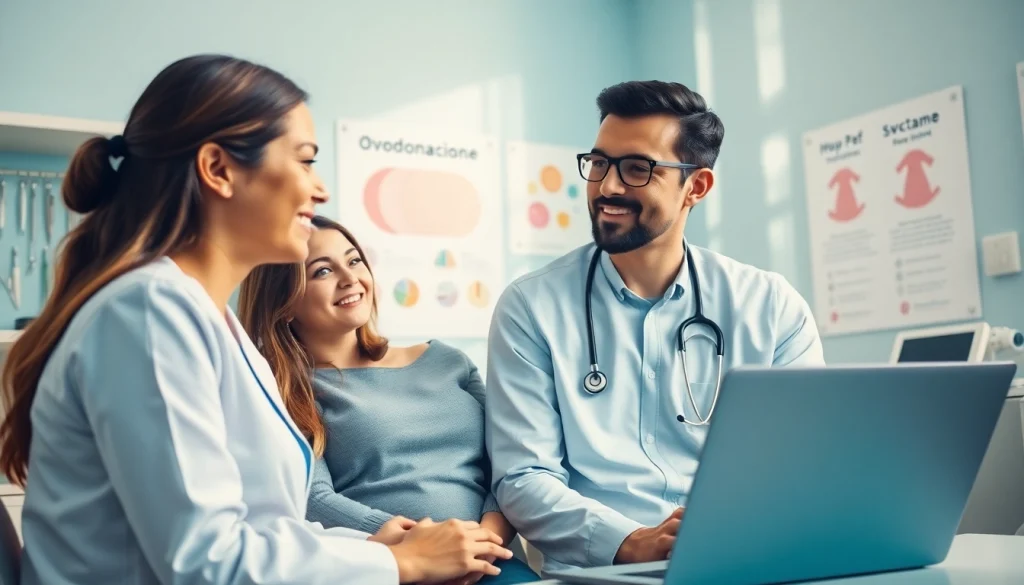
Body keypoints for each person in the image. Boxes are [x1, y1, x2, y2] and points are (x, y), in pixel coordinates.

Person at [0, 54, 511, 585]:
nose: (321, 190)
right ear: (218, 169)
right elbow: (205, 561)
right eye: (305, 160)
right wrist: (400, 562)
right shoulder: (150, 313)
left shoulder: (208, 322)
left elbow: (263, 529)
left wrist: (368, 544)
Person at [485, 80, 825, 572]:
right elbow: (523, 477)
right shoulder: (530, 307)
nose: (608, 187)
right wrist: (631, 542)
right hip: (605, 573)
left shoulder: (771, 307)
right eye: (599, 163)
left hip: (741, 558)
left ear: (697, 186)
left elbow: (802, 461)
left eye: (637, 169)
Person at [237, 215, 540, 585]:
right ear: (283, 302)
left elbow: (510, 462)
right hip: (390, 564)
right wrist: (421, 548)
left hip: (493, 560)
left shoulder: (448, 361)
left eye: (353, 260)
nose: (349, 279)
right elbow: (311, 498)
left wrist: (482, 541)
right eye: (321, 271)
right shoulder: (287, 391)